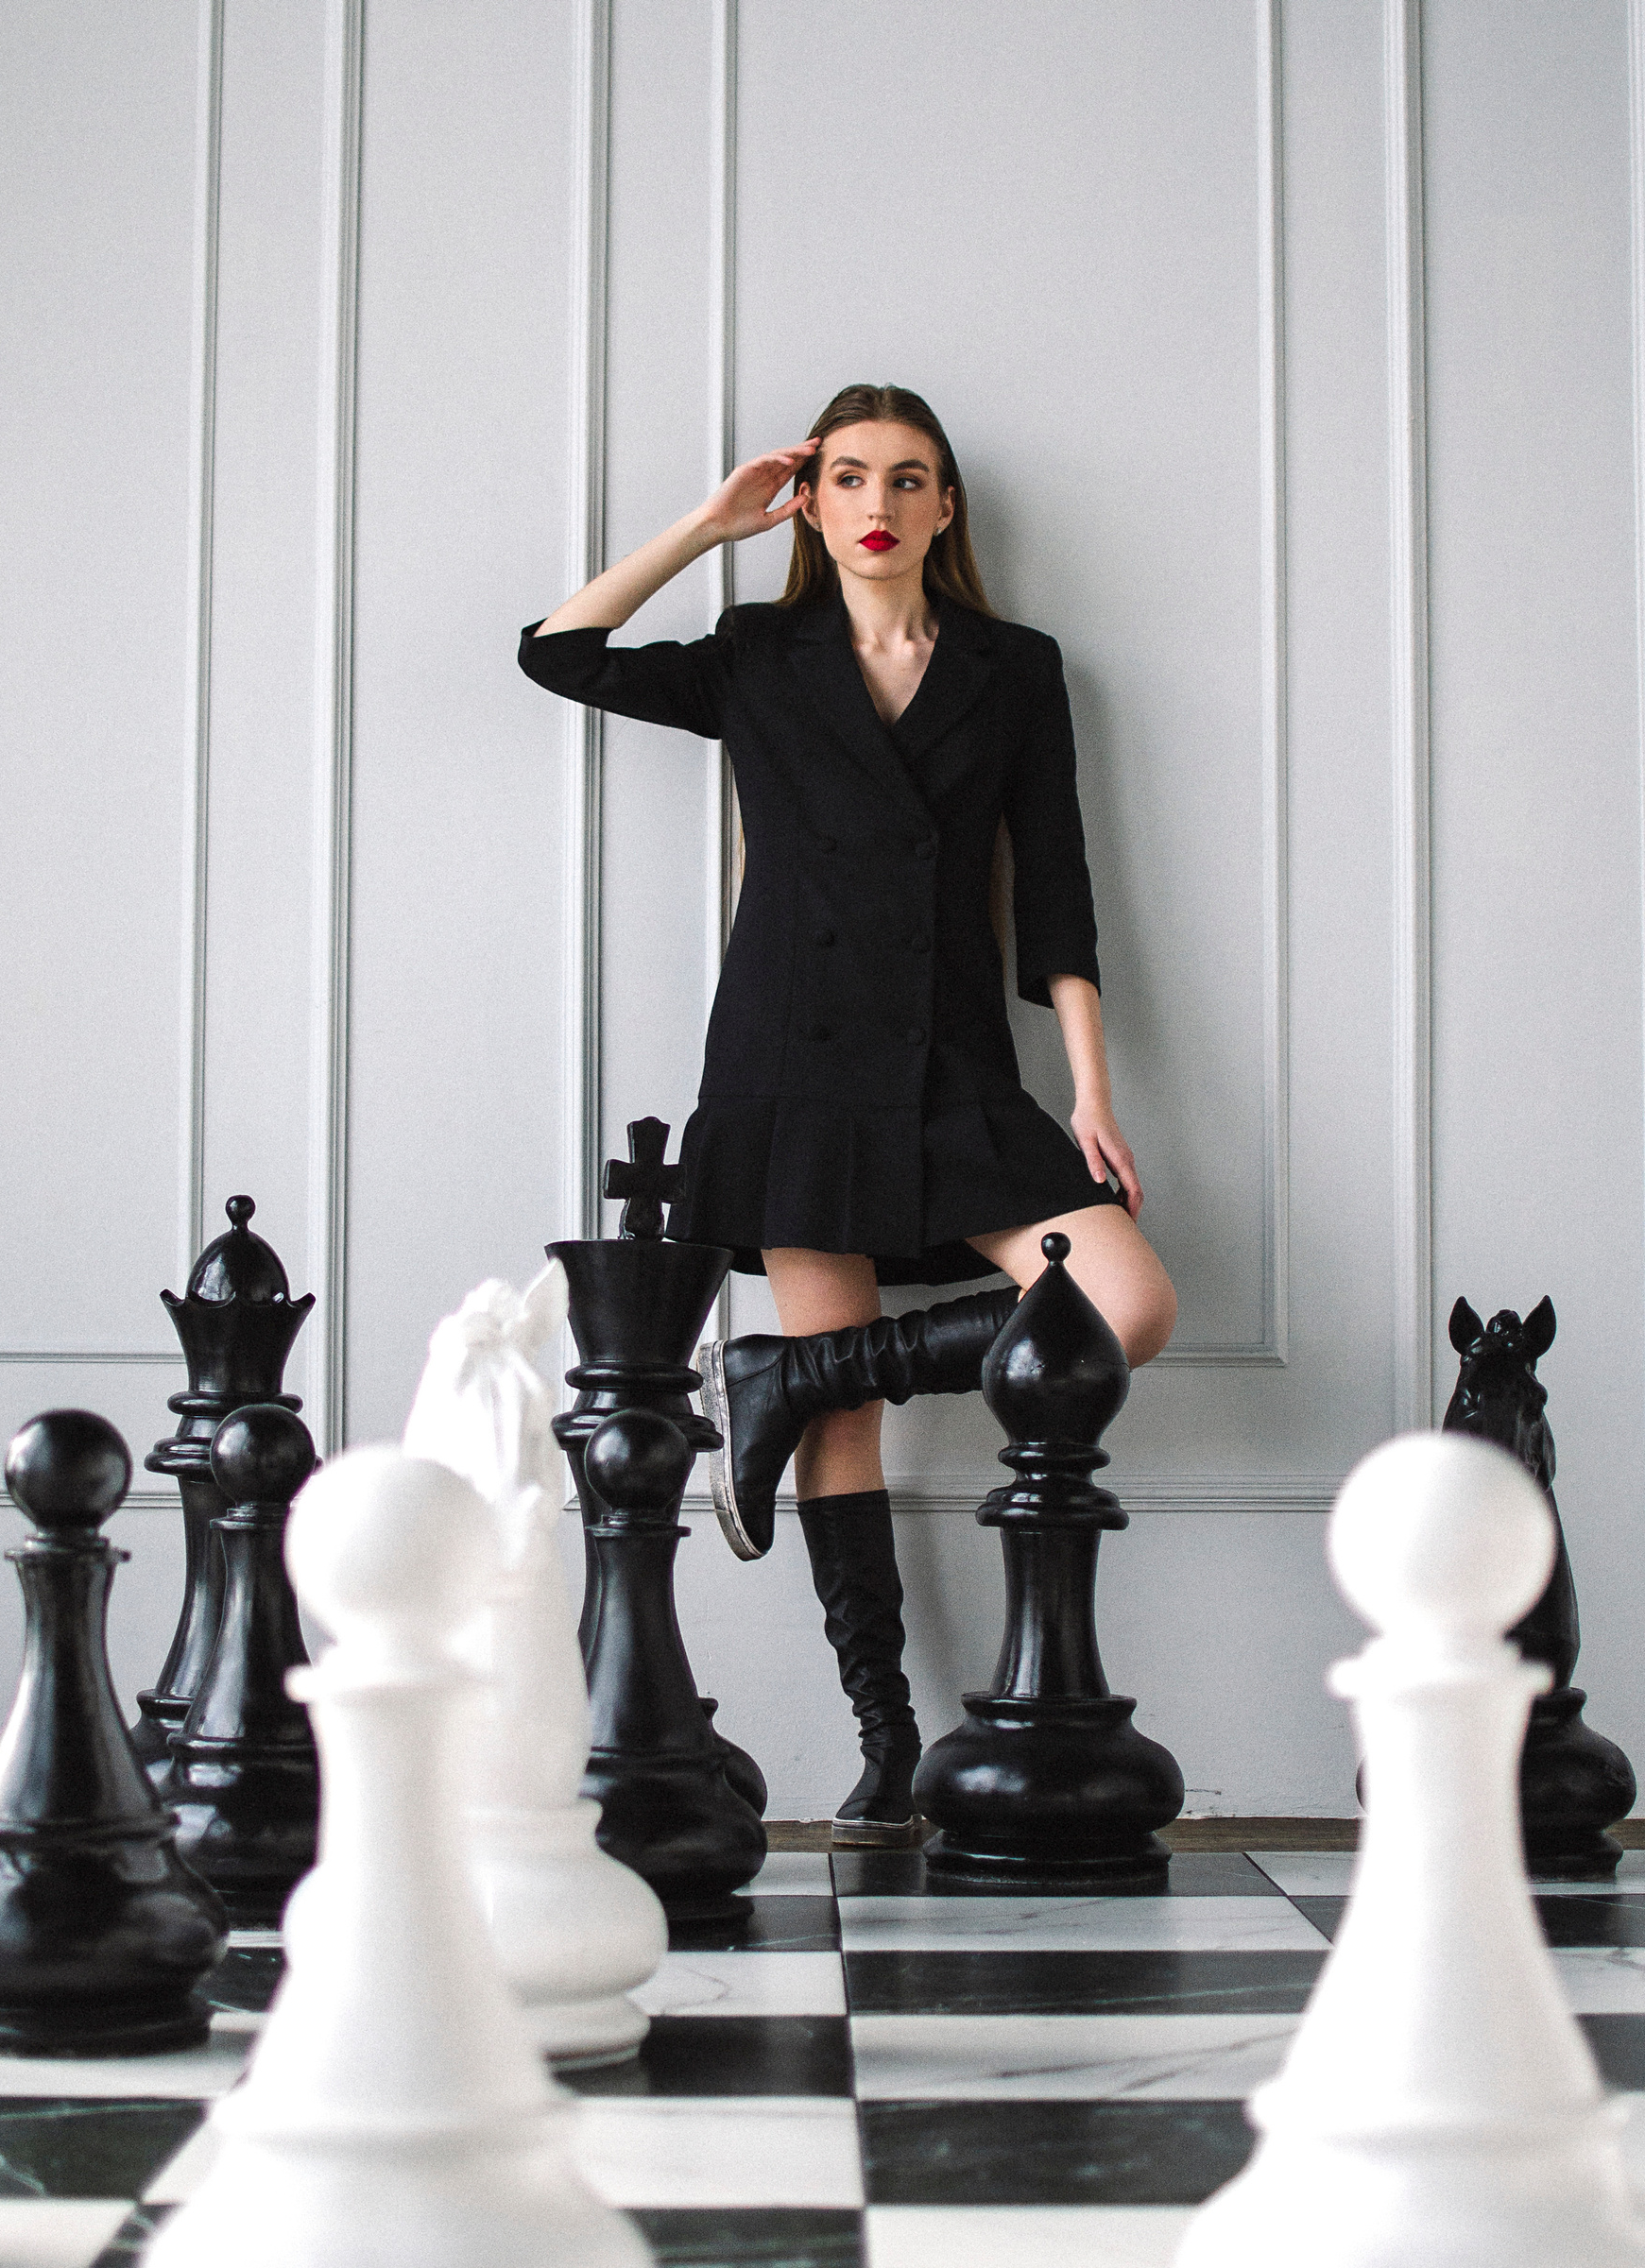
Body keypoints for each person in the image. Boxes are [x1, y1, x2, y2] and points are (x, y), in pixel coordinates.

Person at [520, 383, 1176, 1844]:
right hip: (791, 1059)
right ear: (812, 505)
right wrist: (708, 526)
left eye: (911, 478)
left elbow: (1054, 887)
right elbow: (558, 652)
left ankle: (785, 1374)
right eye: (852, 476)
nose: (881, 502)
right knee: (846, 1420)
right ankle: (885, 1743)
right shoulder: (759, 656)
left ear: (948, 509)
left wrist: (1090, 1087)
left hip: (956, 1066)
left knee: (1122, 1305)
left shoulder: (1016, 669)